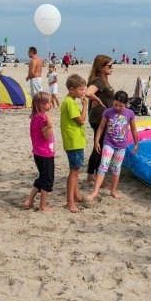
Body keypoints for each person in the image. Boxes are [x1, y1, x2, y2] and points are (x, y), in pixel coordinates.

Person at [88, 91, 139, 200]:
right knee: (103, 165)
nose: (117, 108)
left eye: (120, 106)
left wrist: (136, 143)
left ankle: (113, 191)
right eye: (115, 104)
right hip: (109, 143)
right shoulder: (108, 112)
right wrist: (96, 141)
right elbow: (101, 127)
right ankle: (95, 191)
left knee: (116, 168)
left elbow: (134, 129)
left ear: (126, 104)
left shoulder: (130, 113)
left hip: (121, 146)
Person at [61, 74, 89, 213]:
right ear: (72, 89)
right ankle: (70, 202)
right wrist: (85, 106)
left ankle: (76, 196)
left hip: (75, 140)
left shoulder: (69, 101)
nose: (83, 92)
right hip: (73, 141)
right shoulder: (70, 103)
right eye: (81, 89)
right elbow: (81, 120)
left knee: (76, 170)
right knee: (74, 171)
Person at [85, 55, 115, 184]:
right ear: (101, 67)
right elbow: (88, 93)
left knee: (97, 146)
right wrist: (97, 100)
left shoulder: (103, 80)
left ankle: (90, 174)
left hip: (99, 117)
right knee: (101, 146)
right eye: (109, 66)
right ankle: (98, 177)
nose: (112, 68)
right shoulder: (99, 81)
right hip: (99, 118)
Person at [24, 92, 55, 212]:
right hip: (45, 153)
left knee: (42, 177)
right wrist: (50, 125)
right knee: (48, 180)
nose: (50, 104)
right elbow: (47, 136)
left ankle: (29, 200)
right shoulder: (42, 117)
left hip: (38, 152)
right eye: (48, 102)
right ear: (41, 105)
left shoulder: (35, 117)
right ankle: (43, 206)